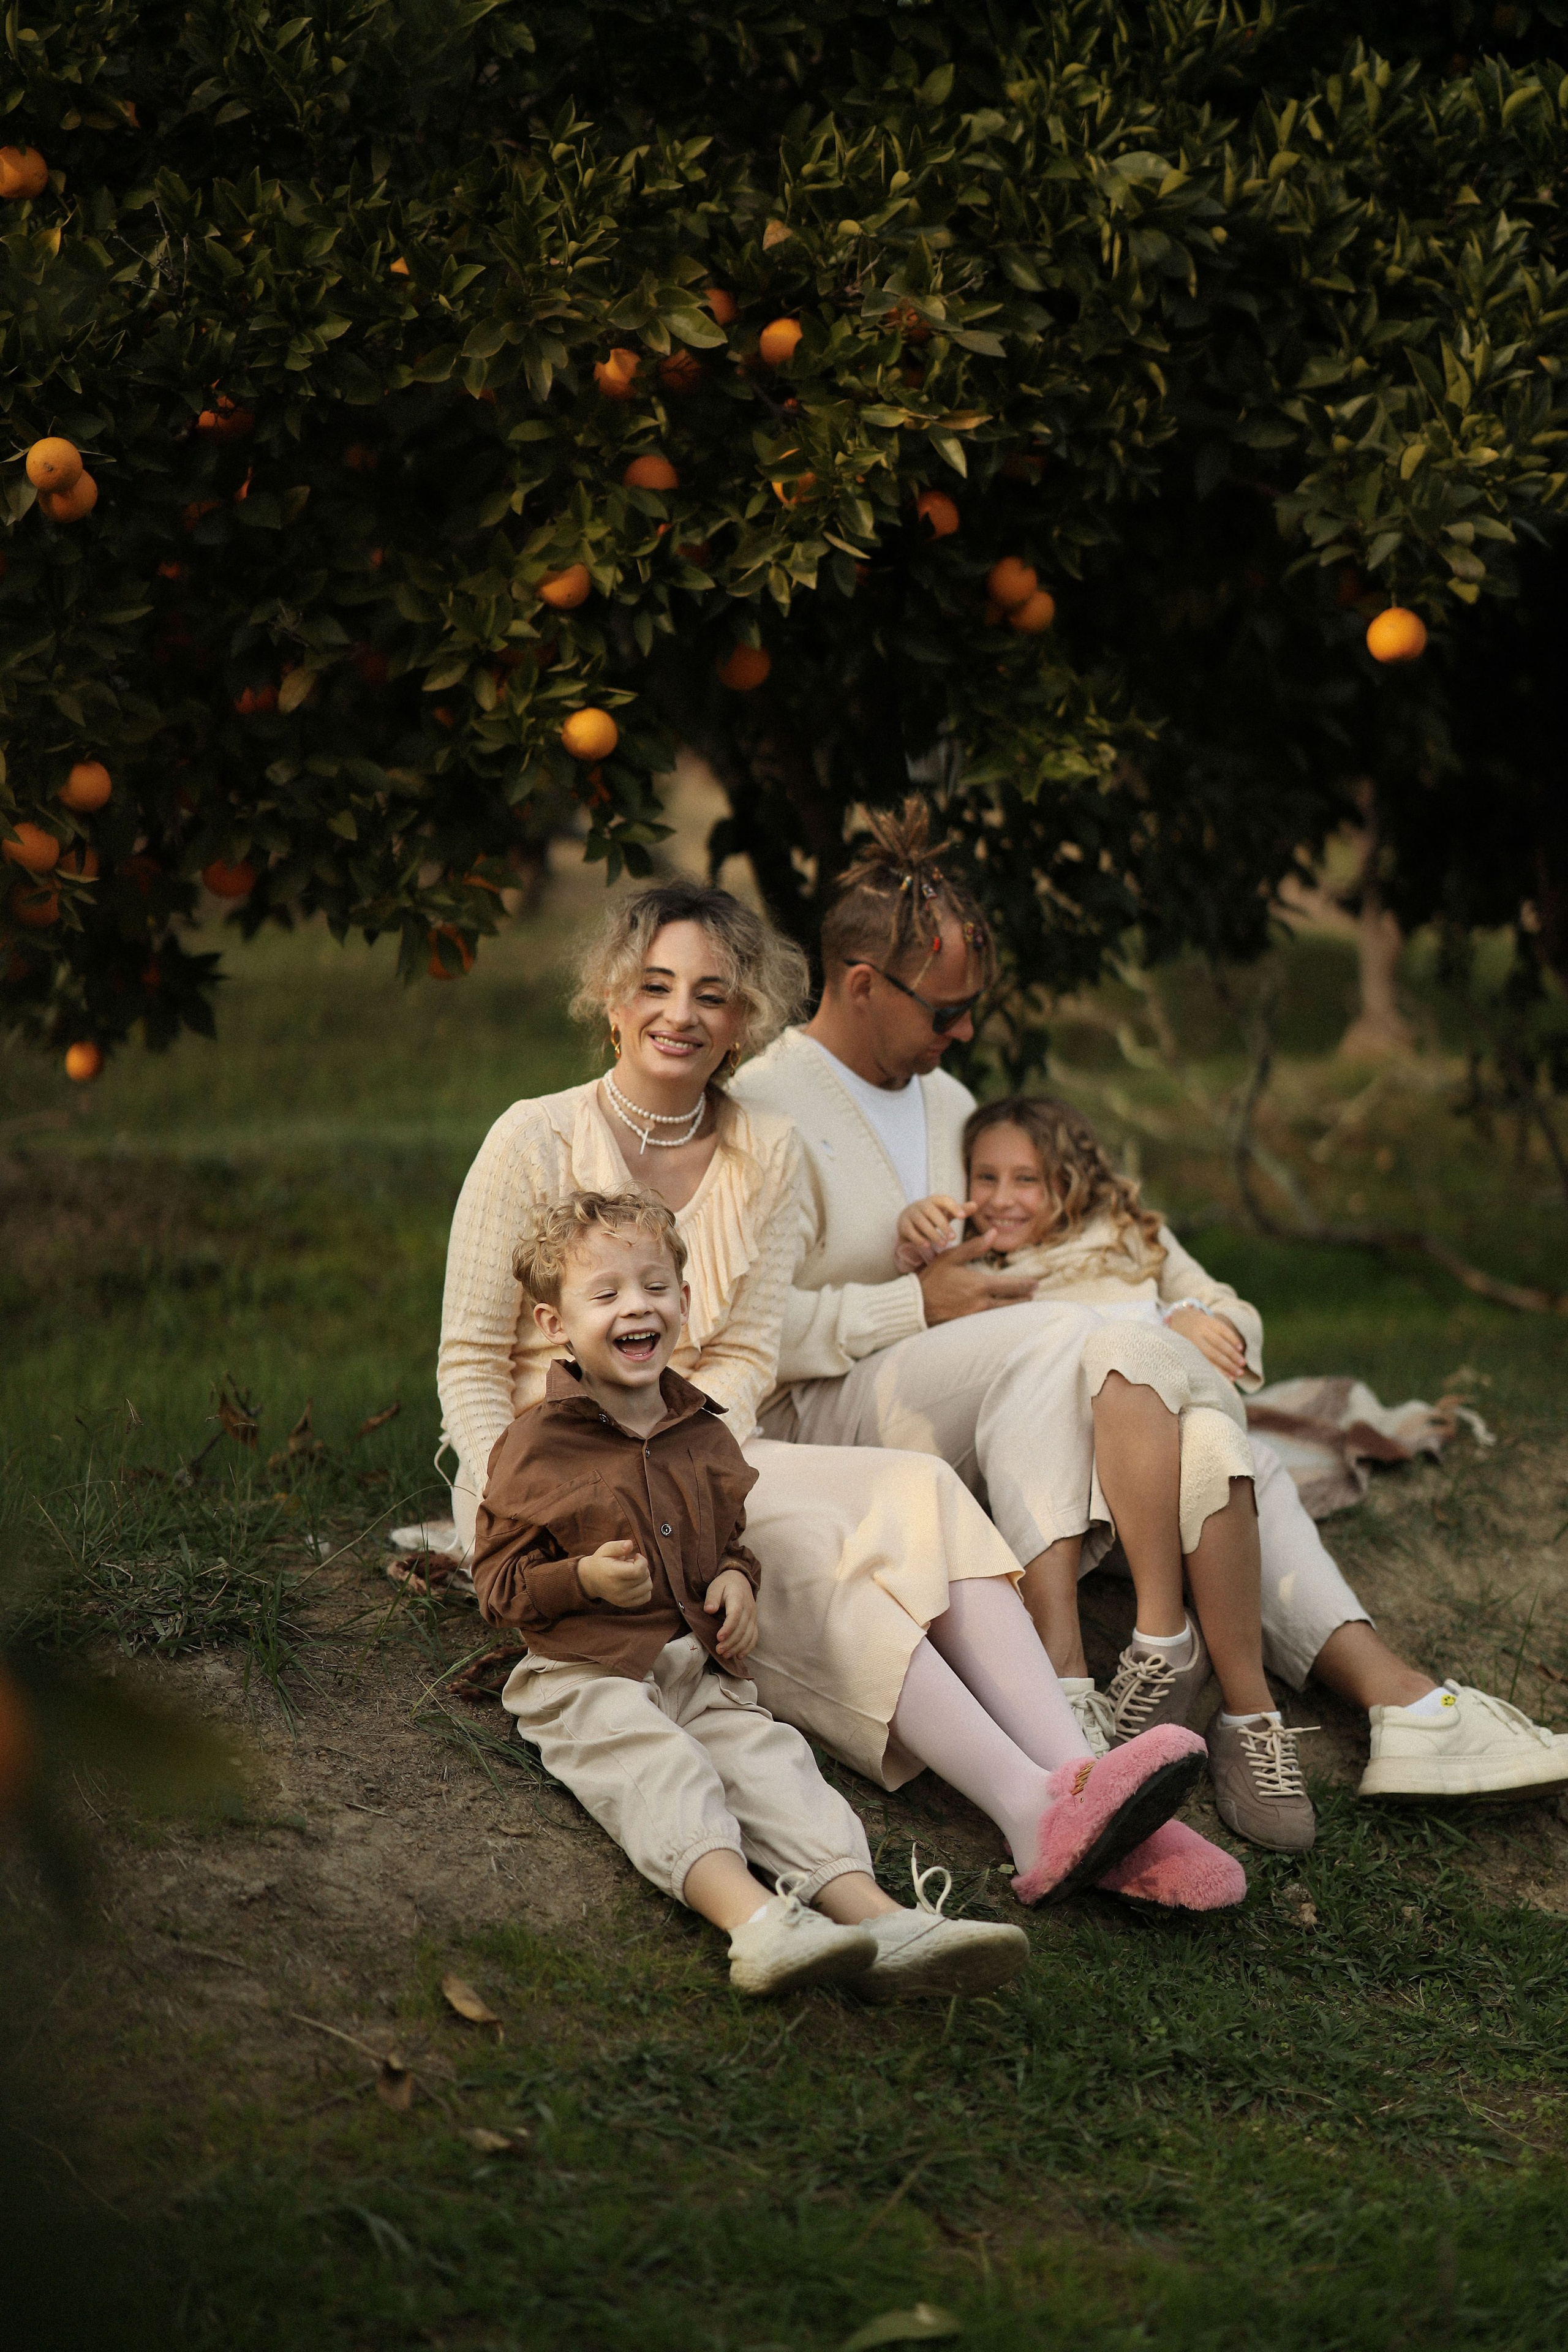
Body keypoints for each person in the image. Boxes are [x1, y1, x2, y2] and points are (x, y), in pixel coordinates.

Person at [731, 797, 1568, 1806]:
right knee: (1074, 1342)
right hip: (837, 1415)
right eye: (945, 1013)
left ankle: (1398, 1707)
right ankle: (1072, 1671)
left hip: (999, 1403)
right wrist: (918, 1308)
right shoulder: (768, 1105)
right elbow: (741, 1339)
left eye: (973, 1013)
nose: (962, 1035)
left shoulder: (949, 1105)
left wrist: (1183, 1319)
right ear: (861, 983)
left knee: (1231, 1454)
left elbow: (1066, 1254)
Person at [439, 880, 1243, 1918]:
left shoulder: (764, 1149)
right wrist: (509, 1507)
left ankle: (1079, 1778)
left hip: (711, 1448)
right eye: (656, 986)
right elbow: (469, 1360)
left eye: (712, 996)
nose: (681, 1014)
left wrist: (690, 1459)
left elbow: (743, 1350)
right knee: (815, 1557)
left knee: (911, 1487)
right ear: (612, 1000)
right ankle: (1025, 1806)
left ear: (742, 1023)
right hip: (560, 1491)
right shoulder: (532, 1138)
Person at [473, 1186, 1035, 1997]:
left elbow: (727, 1543)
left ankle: (879, 1918)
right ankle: (757, 1925)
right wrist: (584, 1578)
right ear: (554, 1325)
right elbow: (496, 1585)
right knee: (657, 1769)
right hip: (584, 1672)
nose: (639, 1307)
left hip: (696, 1669)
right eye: (607, 1294)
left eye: (656, 1286)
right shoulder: (536, 1446)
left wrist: (736, 1581)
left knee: (775, 1766)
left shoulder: (701, 1431)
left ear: (684, 1301)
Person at [896, 1095, 1317, 1847]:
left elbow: (1237, 1314)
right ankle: (1247, 1713)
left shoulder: (1131, 1235)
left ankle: (1169, 1645)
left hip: (1180, 1390)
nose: (999, 1198)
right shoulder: (983, 1272)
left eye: (1025, 1178)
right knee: (1188, 1419)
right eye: (983, 1176)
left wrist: (1190, 1314)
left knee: (1137, 1355)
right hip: (1110, 1471)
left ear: (1071, 1179)